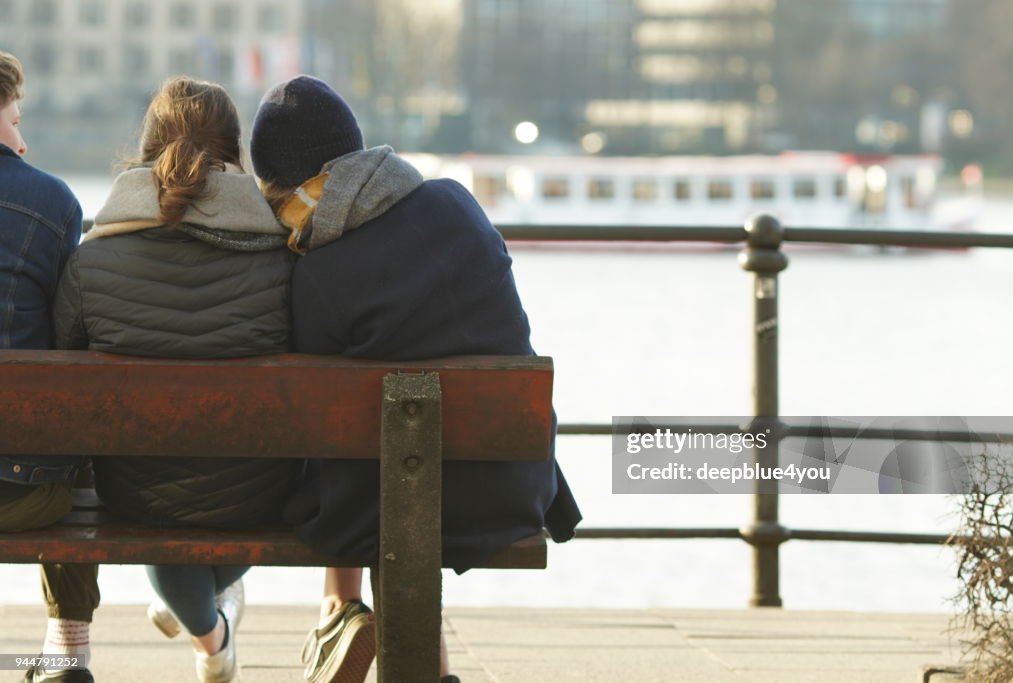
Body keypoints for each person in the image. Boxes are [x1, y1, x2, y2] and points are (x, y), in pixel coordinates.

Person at [250, 75, 583, 683]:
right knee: (404, 456)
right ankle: (398, 651)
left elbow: (318, 431)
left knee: (388, 473)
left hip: (397, 504)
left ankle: (339, 610)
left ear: (286, 190)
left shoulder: (318, 273)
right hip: (514, 484)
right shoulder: (457, 203)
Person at [51, 77, 300, 683]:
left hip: (135, 493)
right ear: (236, 154)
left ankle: (206, 632)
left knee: (170, 513)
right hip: (263, 494)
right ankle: (210, 628)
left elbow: (62, 372)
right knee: (226, 489)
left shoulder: (90, 262)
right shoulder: (287, 261)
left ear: (145, 150)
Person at [0, 50, 96, 683]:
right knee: (74, 409)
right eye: (14, 116)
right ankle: (66, 650)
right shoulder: (51, 201)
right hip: (21, 492)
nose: (23, 137)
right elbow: (73, 340)